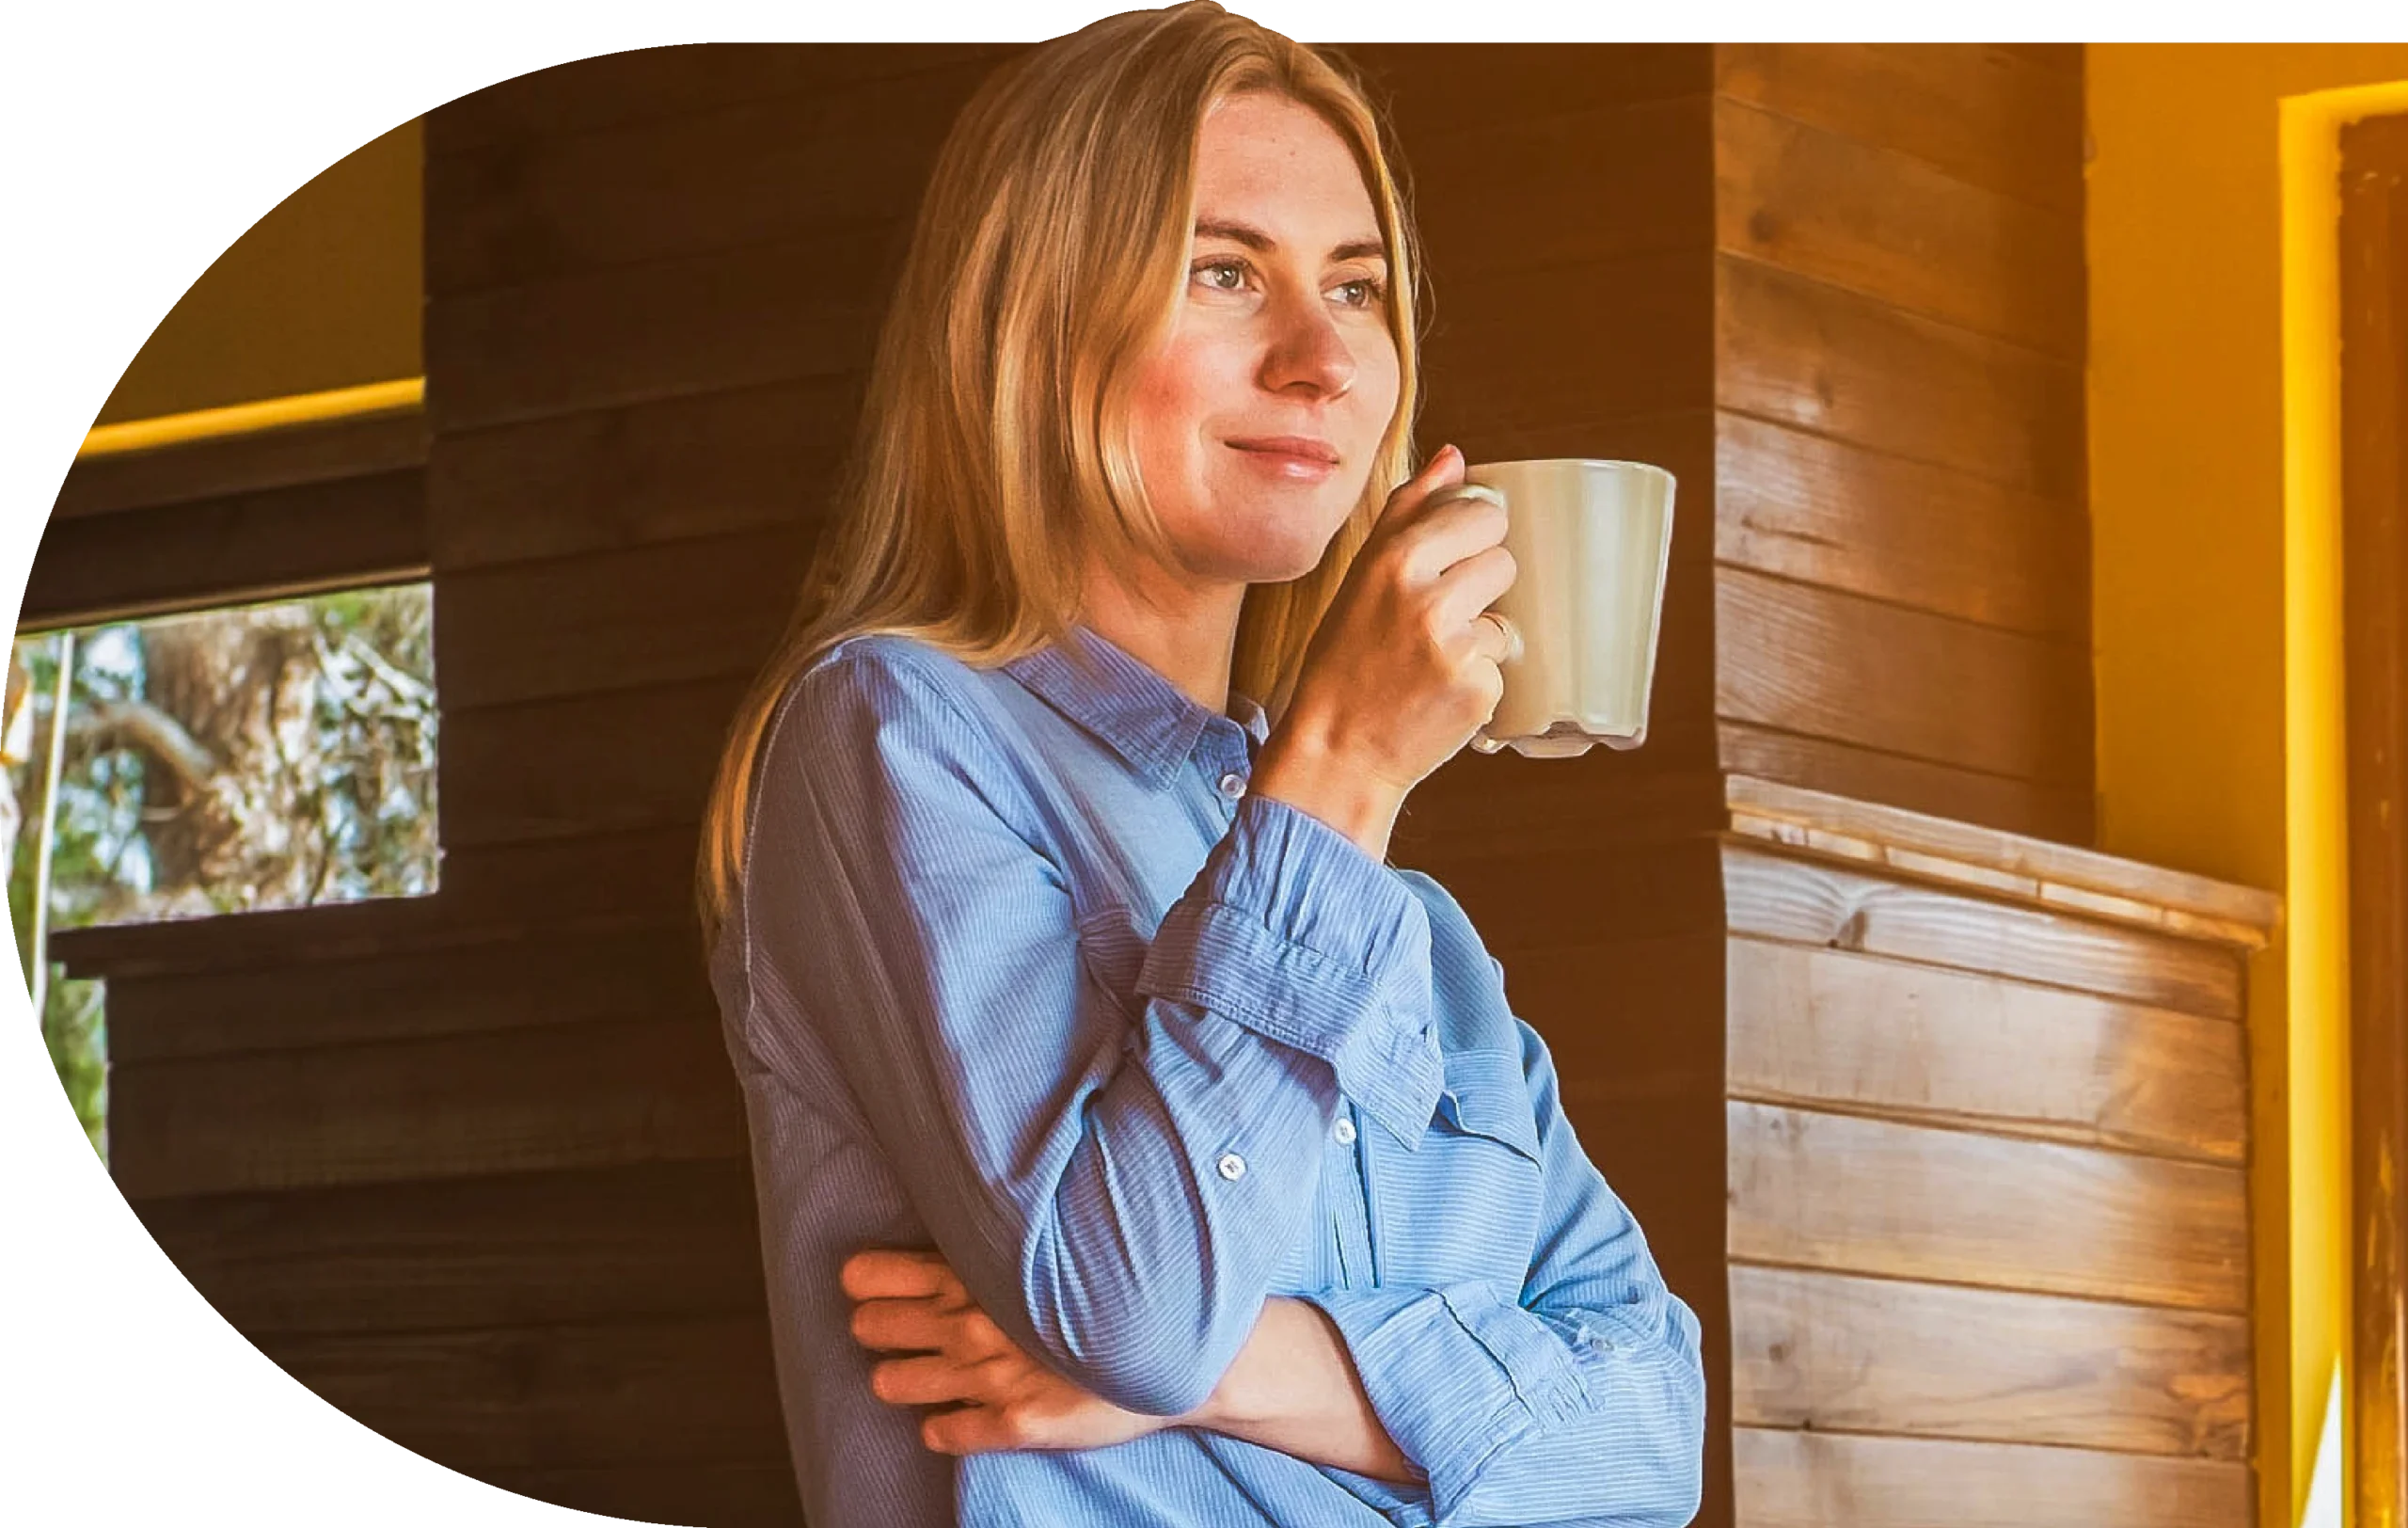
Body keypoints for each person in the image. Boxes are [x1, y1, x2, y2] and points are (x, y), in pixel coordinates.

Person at [693, 7, 1706, 1524]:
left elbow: (1656, 1433)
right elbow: (1129, 1314)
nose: (1319, 359)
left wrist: (1262, 1366)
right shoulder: (893, 734)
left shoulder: (1411, 936)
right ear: (1034, 325)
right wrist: (1348, 764)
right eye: (1225, 271)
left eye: (1354, 289)